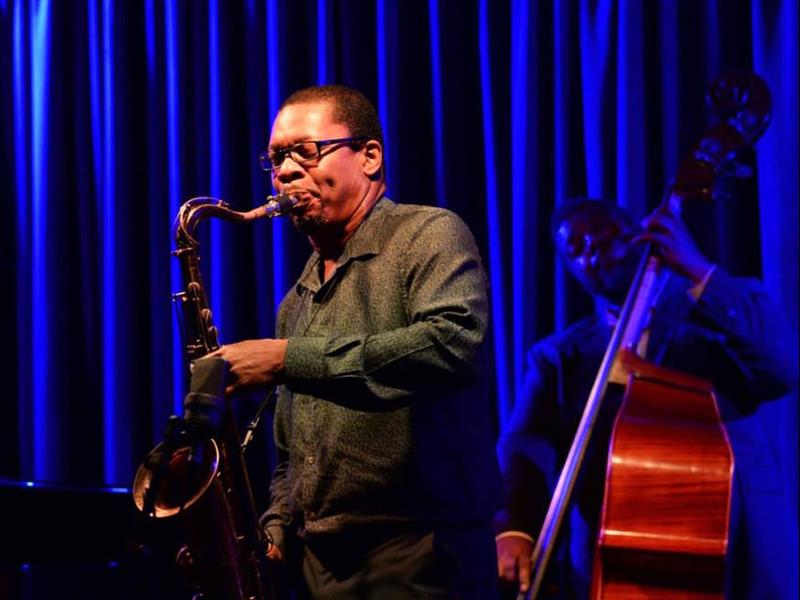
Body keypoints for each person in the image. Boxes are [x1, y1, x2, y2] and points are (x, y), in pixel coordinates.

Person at [212, 84, 501, 599]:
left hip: (419, 553)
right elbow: (292, 455)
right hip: (318, 565)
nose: (285, 171)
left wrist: (288, 360)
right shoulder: (297, 298)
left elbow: (451, 343)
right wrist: (276, 532)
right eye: (277, 158)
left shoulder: (428, 234)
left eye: (306, 151)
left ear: (369, 157)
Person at [495, 198, 798, 599]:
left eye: (604, 235)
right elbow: (526, 445)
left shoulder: (716, 318)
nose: (592, 251)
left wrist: (696, 268)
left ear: (639, 235)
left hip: (740, 539)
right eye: (577, 250)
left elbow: (781, 368)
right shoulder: (558, 357)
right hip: (618, 556)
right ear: (572, 272)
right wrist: (516, 526)